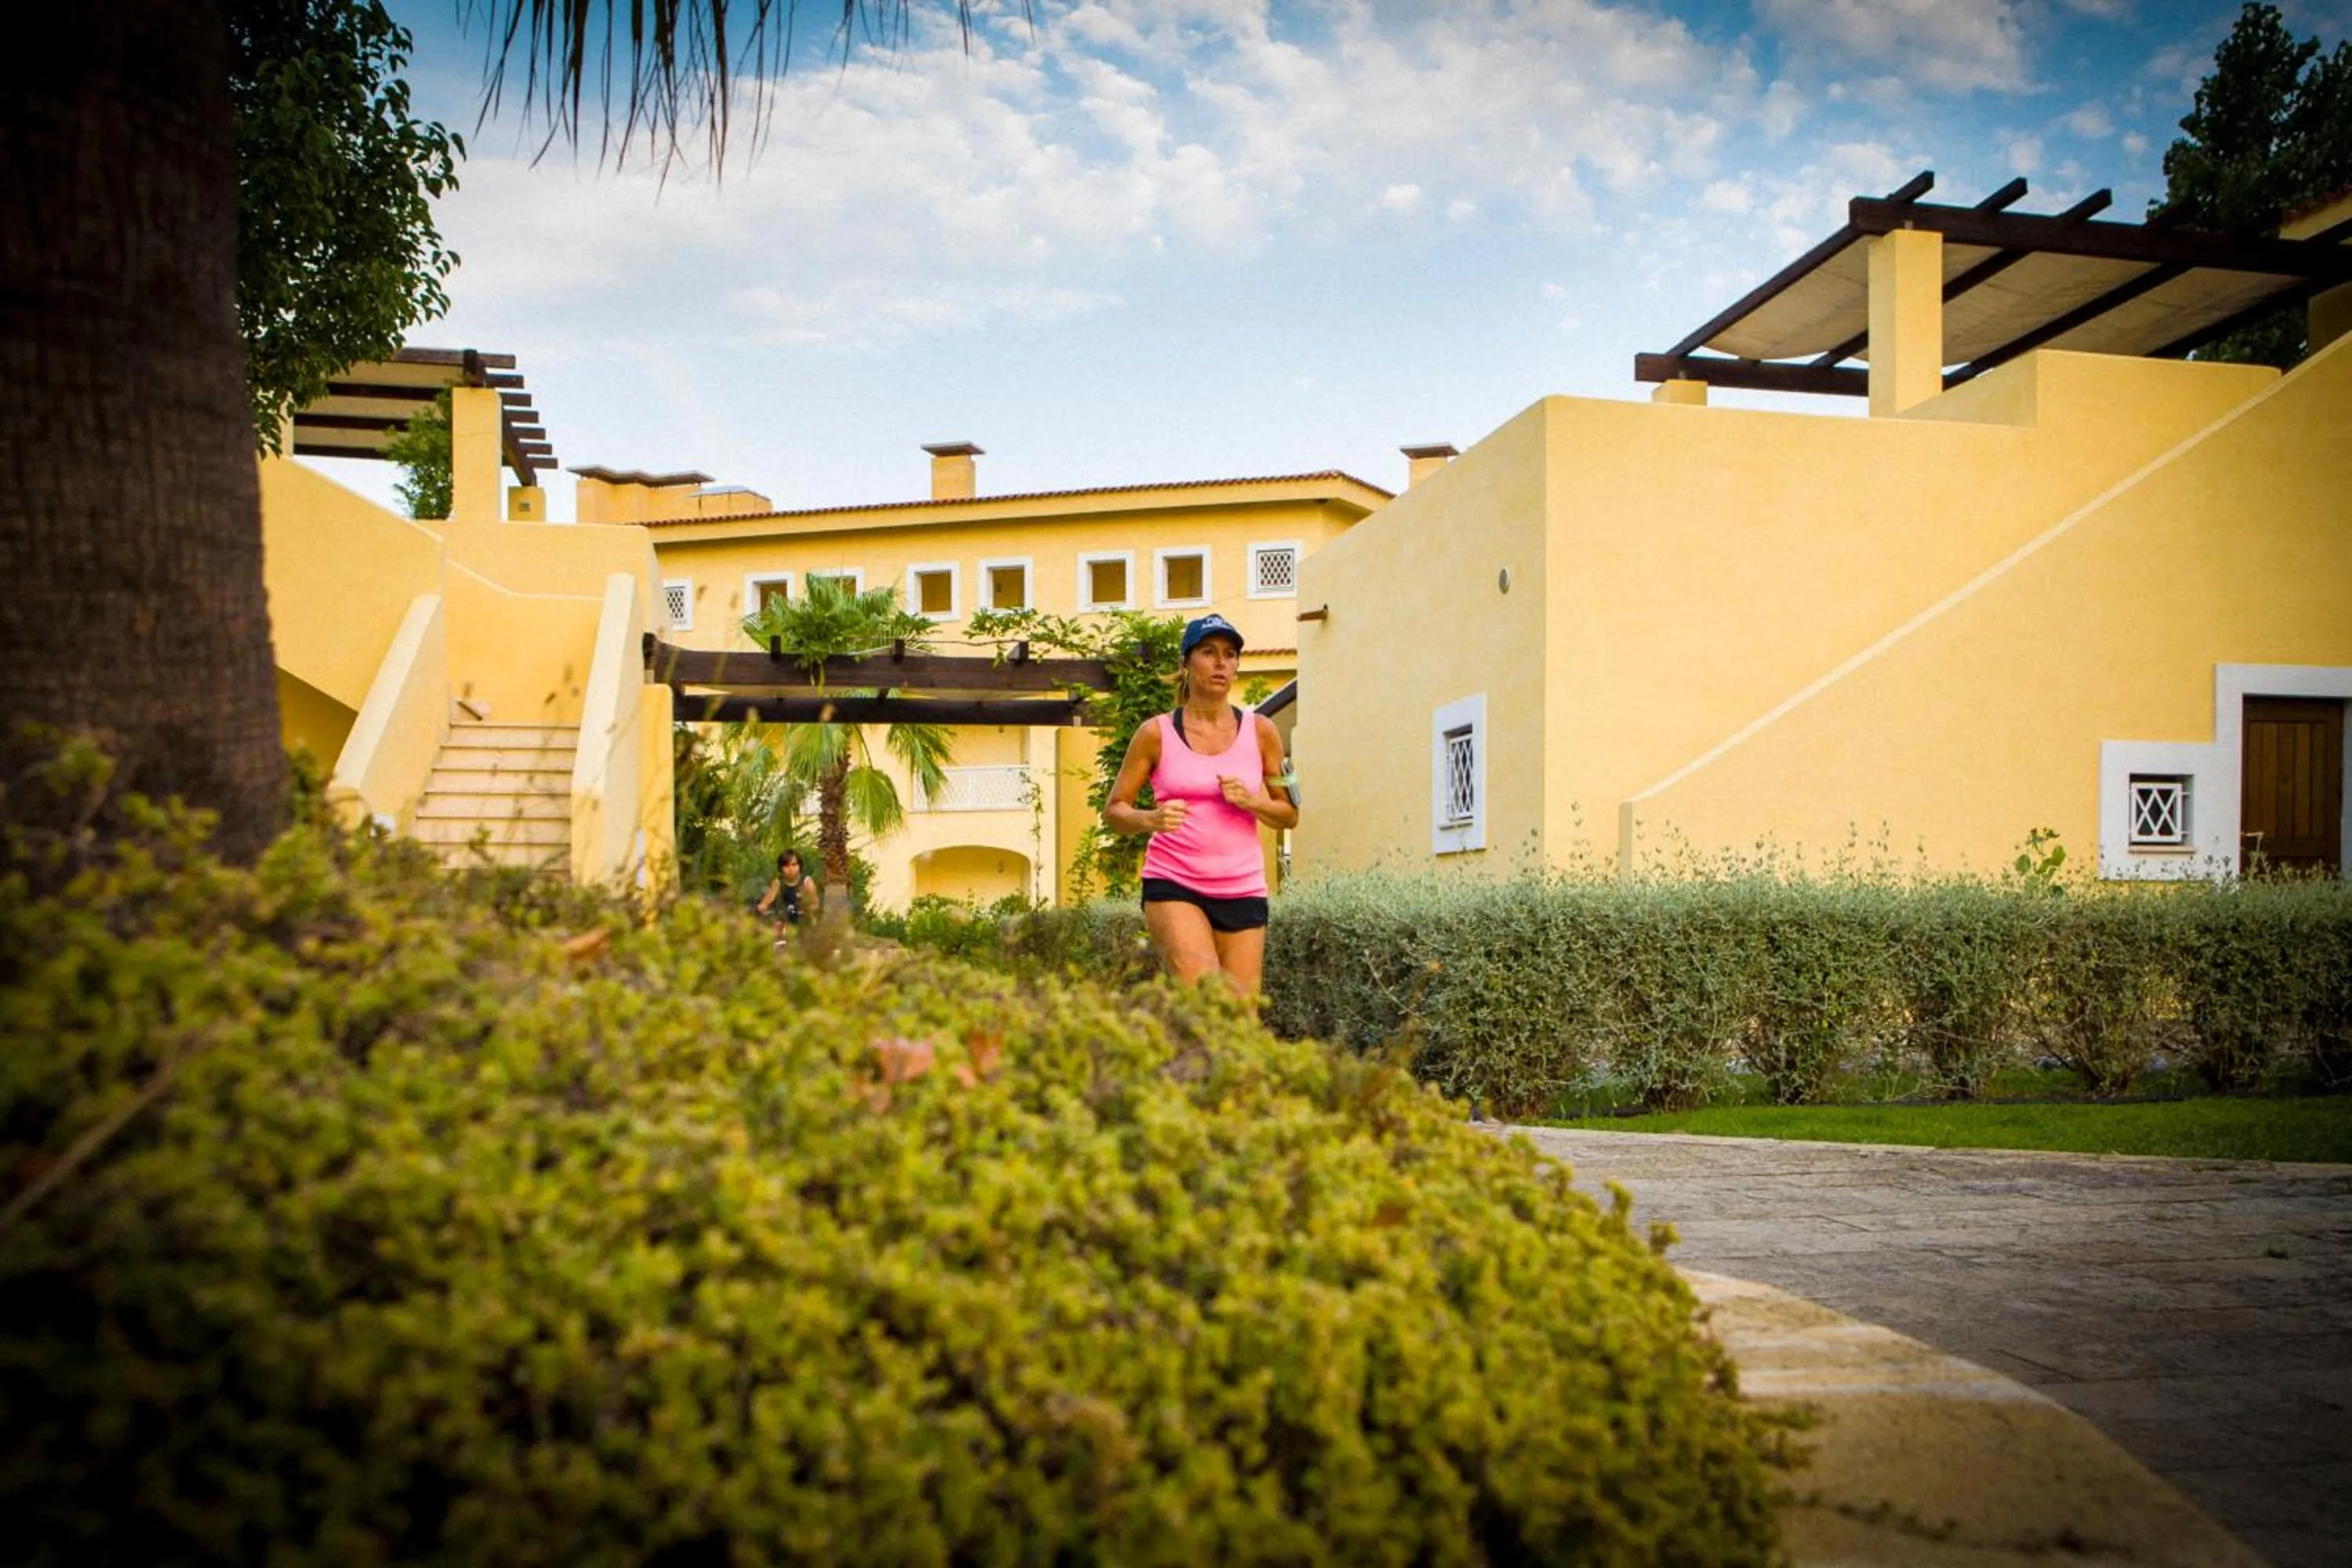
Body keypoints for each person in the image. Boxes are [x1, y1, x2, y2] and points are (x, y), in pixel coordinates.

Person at [1104, 613, 1298, 997]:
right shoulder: (1155, 733)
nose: (1220, 662)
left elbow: (1290, 814)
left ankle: (1167, 1053)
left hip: (1243, 887)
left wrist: (1252, 800)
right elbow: (1115, 810)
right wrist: (1150, 818)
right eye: (1208, 652)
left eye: (1229, 654)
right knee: (1205, 993)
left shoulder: (1262, 731)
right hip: (1174, 881)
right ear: (1186, 664)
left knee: (1239, 1019)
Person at [755, 849, 818, 935]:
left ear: (799, 866)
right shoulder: (778, 883)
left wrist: (805, 910)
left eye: (794, 865)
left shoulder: (807, 882)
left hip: (802, 920)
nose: (791, 869)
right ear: (781, 868)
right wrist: (761, 908)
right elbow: (768, 899)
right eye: (786, 866)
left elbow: (815, 905)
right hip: (783, 920)